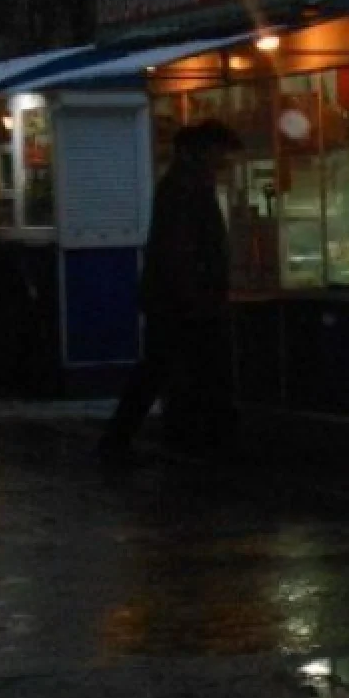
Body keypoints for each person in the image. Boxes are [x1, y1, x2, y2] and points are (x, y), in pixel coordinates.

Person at [99, 119, 243, 467]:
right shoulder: (187, 189)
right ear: (202, 151)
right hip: (185, 300)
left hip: (175, 298)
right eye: (219, 152)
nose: (223, 160)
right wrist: (197, 295)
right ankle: (210, 440)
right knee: (196, 369)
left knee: (163, 368)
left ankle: (132, 437)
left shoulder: (181, 184)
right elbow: (182, 248)